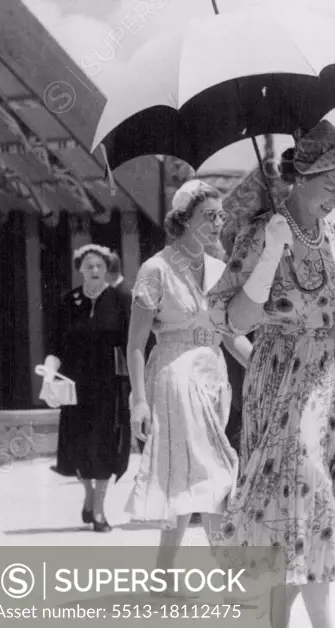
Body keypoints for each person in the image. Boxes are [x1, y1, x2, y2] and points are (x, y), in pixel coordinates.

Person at [207, 119, 335, 628]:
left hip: (330, 375)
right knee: (307, 495)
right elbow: (235, 320)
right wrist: (271, 247)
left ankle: (275, 604)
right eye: (331, 184)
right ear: (300, 175)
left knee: (315, 503)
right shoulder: (260, 234)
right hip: (277, 375)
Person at [124, 180, 246, 582]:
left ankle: (161, 578)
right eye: (208, 216)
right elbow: (137, 344)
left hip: (213, 378)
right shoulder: (155, 269)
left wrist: (267, 367)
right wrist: (138, 401)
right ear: (183, 220)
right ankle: (234, 581)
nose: (217, 223)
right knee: (212, 475)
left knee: (185, 479)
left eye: (221, 216)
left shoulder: (219, 270)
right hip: (174, 377)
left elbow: (231, 336)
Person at [40, 244, 133, 532]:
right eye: (89, 266)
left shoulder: (120, 300)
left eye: (99, 266)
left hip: (109, 387)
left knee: (106, 447)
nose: (94, 271)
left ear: (107, 268)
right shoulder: (67, 302)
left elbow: (132, 347)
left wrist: (137, 388)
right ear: (79, 268)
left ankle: (100, 511)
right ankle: (89, 495)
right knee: (78, 447)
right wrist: (48, 378)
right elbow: (54, 348)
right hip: (74, 387)